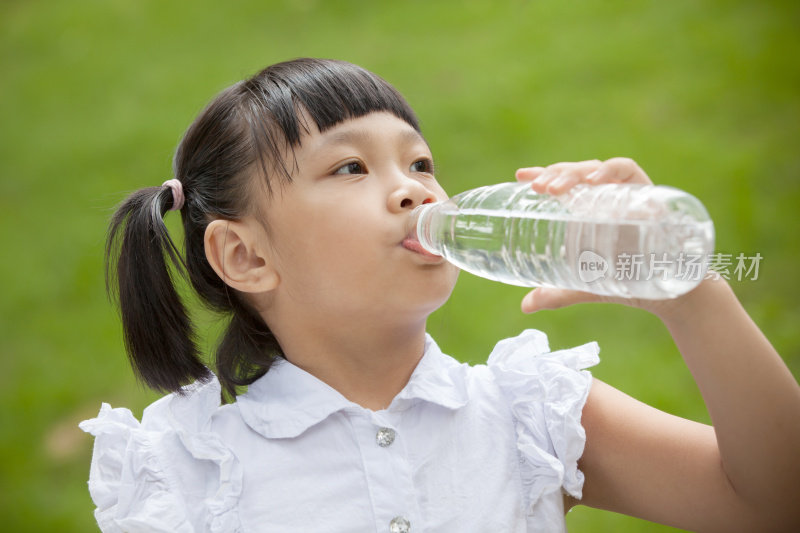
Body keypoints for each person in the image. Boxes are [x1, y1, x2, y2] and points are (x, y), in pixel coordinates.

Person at [80, 58, 800, 533]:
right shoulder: (190, 472)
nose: (415, 187)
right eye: (351, 166)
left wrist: (685, 292)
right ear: (246, 254)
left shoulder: (527, 418)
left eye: (420, 161)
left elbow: (775, 500)